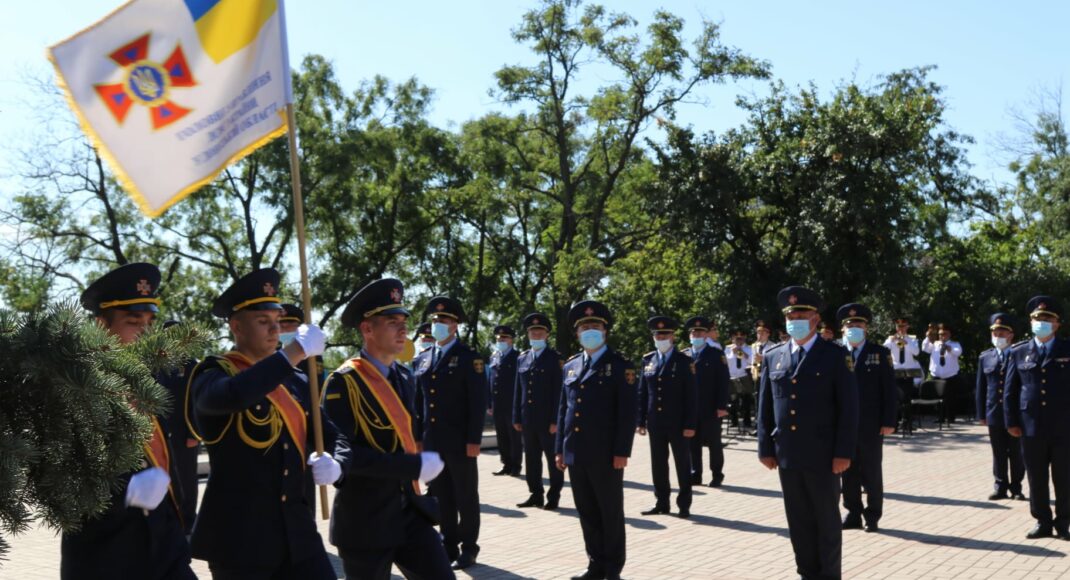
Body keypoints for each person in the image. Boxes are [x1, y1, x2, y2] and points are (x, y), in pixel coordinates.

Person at [187, 268, 342, 578]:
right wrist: (294, 353)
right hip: (242, 543)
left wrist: (338, 463)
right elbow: (232, 395)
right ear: (236, 326)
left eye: (276, 323)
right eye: (262, 322)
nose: (274, 331)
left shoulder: (296, 381)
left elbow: (333, 436)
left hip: (298, 536)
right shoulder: (213, 374)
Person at [63, 263, 196, 580]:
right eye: (133, 321)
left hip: (165, 550)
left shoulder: (146, 381)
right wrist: (127, 493)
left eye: (150, 321)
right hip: (107, 557)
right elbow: (58, 481)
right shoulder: (75, 388)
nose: (145, 332)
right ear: (101, 326)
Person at [320, 278, 455, 579]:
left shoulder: (405, 377)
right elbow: (348, 454)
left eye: (404, 321)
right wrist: (412, 465)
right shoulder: (344, 383)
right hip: (365, 520)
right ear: (367, 329)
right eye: (392, 322)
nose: (403, 329)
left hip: (409, 512)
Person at [757, 285, 858, 580]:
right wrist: (765, 447)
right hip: (787, 455)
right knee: (798, 523)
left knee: (826, 523)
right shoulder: (774, 355)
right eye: (790, 314)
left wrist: (843, 453)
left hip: (824, 455)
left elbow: (849, 410)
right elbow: (764, 404)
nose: (794, 319)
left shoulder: (835, 356)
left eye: (800, 313)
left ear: (815, 318)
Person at [556, 300, 637, 580]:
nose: (589, 330)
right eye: (584, 327)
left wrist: (622, 451)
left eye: (595, 326)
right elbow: (563, 409)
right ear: (577, 333)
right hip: (576, 453)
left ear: (605, 331)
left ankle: (613, 568)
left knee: (610, 512)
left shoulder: (619, 366)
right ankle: (595, 565)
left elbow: (627, 413)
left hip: (605, 454)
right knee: (587, 512)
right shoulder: (571, 366)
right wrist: (560, 450)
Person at [412, 296, 487, 569]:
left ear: (455, 325)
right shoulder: (422, 359)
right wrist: (418, 437)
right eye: (434, 320)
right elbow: (418, 403)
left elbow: (477, 402)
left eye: (444, 320)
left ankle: (469, 547)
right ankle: (447, 544)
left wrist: (473, 440)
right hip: (432, 441)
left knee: (465, 495)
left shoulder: (469, 359)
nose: (438, 324)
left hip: (459, 441)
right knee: (440, 494)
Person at [1005, 296, 1070, 540]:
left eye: (1047, 318)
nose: (1041, 322)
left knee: (1064, 477)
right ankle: (1042, 521)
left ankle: (1063, 522)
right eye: (1037, 318)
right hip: (1030, 426)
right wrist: (1011, 421)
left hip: (1064, 426)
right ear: (1030, 322)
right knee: (1036, 476)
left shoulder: (1067, 349)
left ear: (1057, 324)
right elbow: (1011, 390)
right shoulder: (1019, 351)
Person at [837, 303, 897, 533]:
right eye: (850, 324)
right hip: (843, 424)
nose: (854, 327)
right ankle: (853, 512)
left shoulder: (879, 353)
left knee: (871, 470)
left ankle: (872, 515)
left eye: (858, 324)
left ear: (866, 328)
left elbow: (889, 390)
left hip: (870, 424)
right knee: (847, 470)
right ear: (843, 329)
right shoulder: (835, 353)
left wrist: (889, 420)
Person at [637, 316, 698, 518]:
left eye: (665, 334)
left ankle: (684, 504)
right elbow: (642, 393)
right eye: (657, 334)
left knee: (682, 463)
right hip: (656, 421)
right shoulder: (648, 360)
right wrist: (640, 420)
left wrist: (690, 423)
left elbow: (691, 395)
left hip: (679, 422)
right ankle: (661, 502)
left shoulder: (684, 361)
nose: (661, 337)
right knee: (658, 464)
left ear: (672, 336)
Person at [513, 313, 565, 510]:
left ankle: (554, 496)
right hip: (528, 419)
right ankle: (535, 494)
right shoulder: (523, 358)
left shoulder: (555, 359)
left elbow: (559, 392)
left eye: (540, 331)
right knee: (532, 459)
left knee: (553, 460)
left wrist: (555, 421)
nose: (536, 334)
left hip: (548, 421)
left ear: (547, 334)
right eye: (532, 331)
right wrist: (516, 416)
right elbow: (518, 389)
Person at [976, 313, 1025, 501]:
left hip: (1014, 413)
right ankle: (1000, 486)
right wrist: (981, 413)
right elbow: (981, 387)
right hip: (994, 412)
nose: (998, 335)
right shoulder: (985, 357)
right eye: (995, 332)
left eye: (1002, 332)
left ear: (1011, 334)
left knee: (1016, 452)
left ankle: (1017, 487)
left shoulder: (1019, 353)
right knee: (998, 452)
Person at [158, 319, 201, 535]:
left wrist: (194, 433)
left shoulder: (193, 365)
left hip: (186, 434)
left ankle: (189, 521)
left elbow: (197, 402)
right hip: (164, 433)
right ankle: (173, 520)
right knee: (169, 478)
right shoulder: (159, 365)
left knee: (186, 479)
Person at [682, 316, 731, 487]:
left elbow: (723, 382)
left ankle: (717, 473)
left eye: (700, 332)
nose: (696, 334)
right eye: (694, 332)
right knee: (692, 443)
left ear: (706, 335)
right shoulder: (684, 355)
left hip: (711, 407)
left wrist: (722, 406)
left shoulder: (716, 354)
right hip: (690, 408)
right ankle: (696, 473)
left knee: (714, 443)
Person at [489, 324, 522, 477]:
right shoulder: (494, 356)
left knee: (514, 437)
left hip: (511, 404)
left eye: (505, 337)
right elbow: (491, 381)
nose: (501, 340)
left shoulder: (518, 357)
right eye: (499, 337)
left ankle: (516, 466)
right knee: (501, 436)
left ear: (511, 340)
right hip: (497, 404)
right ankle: (506, 464)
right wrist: (489, 403)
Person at [922, 323, 964, 423]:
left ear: (949, 334)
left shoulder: (954, 344)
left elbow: (958, 352)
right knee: (937, 397)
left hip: (950, 375)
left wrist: (949, 348)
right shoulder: (935, 344)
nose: (942, 336)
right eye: (940, 334)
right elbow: (925, 348)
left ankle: (950, 417)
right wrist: (928, 337)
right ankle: (940, 417)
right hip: (936, 375)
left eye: (944, 334)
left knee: (950, 398)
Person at [725, 329, 755, 430]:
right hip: (731, 377)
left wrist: (739, 352)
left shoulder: (749, 348)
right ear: (732, 338)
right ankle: (734, 421)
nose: (739, 340)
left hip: (744, 377)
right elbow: (725, 363)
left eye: (741, 338)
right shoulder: (727, 349)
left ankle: (747, 421)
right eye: (736, 338)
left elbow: (751, 360)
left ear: (744, 338)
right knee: (733, 401)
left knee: (746, 401)